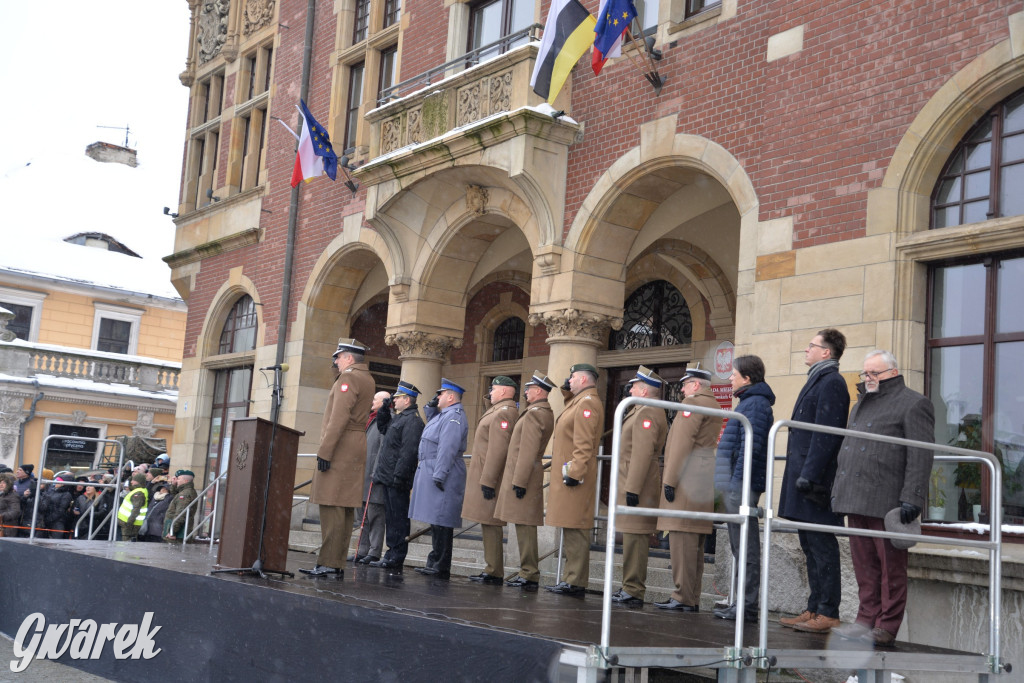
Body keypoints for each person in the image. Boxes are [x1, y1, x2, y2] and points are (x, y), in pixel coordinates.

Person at [830, 350, 934, 647]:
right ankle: (864, 621)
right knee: (864, 568)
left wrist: (913, 497)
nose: (868, 378)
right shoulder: (860, 403)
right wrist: (838, 492)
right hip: (856, 498)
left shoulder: (914, 403)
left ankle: (887, 625)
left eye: (874, 373)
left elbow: (920, 453)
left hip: (888, 501)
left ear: (893, 372)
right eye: (866, 373)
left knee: (891, 570)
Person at [778, 329, 851, 633]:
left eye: (812, 346)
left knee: (822, 545)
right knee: (808, 543)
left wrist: (810, 474)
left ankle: (828, 612)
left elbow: (827, 434)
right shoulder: (817, 378)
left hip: (817, 481)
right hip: (804, 476)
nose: (806, 350)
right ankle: (814, 607)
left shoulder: (833, 382)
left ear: (827, 352)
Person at [300, 338, 375, 578]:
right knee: (343, 507)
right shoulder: (367, 378)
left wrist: (325, 451)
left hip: (341, 444)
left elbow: (339, 418)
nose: (336, 361)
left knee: (332, 504)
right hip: (355, 442)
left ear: (350, 358)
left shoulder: (349, 377)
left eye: (339, 356)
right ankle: (335, 562)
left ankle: (328, 563)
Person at [655, 367, 723, 612]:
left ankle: (682, 596)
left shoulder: (691, 403)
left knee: (682, 538)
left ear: (695, 385)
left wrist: (669, 481)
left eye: (685, 384)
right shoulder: (713, 404)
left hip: (685, 479)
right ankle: (691, 596)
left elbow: (681, 446)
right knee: (695, 542)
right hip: (702, 479)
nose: (682, 389)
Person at [713, 355, 775, 621]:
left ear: (747, 378)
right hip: (736, 484)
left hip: (742, 486)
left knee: (746, 548)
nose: (730, 378)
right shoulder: (748, 403)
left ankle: (747, 606)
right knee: (739, 547)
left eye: (734, 374)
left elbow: (751, 448)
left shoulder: (756, 405)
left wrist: (737, 484)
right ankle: (739, 603)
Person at [605, 366, 668, 608]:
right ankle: (629, 586)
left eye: (633, 386)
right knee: (631, 537)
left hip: (638, 484)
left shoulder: (648, 411)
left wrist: (633, 488)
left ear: (643, 390)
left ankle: (633, 588)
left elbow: (642, 454)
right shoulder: (641, 409)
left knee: (636, 538)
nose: (630, 389)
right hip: (632, 481)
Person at [545, 363, 605, 596]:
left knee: (576, 527)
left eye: (572, 377)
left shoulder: (588, 403)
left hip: (575, 476)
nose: (569, 380)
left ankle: (576, 581)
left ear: (583, 379)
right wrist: (567, 391)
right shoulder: (578, 401)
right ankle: (570, 578)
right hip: (568, 473)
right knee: (569, 527)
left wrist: (575, 473)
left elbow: (584, 444)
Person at [495, 371, 555, 590]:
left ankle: (529, 572)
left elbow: (528, 451)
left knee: (525, 525)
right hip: (525, 473)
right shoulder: (536, 411)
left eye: (529, 388)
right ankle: (527, 570)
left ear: (539, 391)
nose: (526, 392)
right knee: (522, 524)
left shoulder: (535, 414)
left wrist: (519, 481)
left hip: (524, 476)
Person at [409, 378, 469, 580]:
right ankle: (434, 561)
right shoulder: (445, 414)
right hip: (434, 467)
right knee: (436, 520)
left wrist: (440, 473)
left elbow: (447, 447)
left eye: (441, 394)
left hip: (443, 470)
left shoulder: (454, 416)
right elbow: (434, 425)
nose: (437, 397)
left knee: (442, 520)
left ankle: (440, 565)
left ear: (451, 397)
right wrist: (430, 407)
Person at [462, 376, 519, 585]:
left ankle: (494, 570)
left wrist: (488, 480)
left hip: (490, 475)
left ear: (504, 391)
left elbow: (498, 450)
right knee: (487, 523)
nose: (490, 393)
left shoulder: (505, 413)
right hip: (484, 472)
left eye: (493, 389)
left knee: (491, 523)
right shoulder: (497, 410)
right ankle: (491, 567)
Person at [369, 381, 425, 573]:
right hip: (388, 475)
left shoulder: (413, 421)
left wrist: (400, 476)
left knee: (398, 519)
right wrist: (384, 410)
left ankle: (396, 556)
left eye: (397, 398)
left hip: (397, 478)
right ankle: (390, 554)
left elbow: (408, 452)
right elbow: (384, 428)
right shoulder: (400, 418)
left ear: (407, 400)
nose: (394, 400)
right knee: (391, 518)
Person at [354, 390, 392, 564]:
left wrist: (377, 471)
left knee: (375, 514)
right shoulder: (372, 419)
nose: (371, 401)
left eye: (375, 399)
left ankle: (374, 551)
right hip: (363, 474)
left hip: (374, 476)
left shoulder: (385, 419)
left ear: (384, 402)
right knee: (362, 515)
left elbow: (384, 449)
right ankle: (362, 550)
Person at [164, 470, 198, 542]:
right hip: (178, 531)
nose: (177, 481)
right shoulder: (184, 492)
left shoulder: (185, 494)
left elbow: (181, 513)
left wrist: (172, 531)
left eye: (179, 479)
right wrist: (173, 485)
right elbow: (175, 496)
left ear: (185, 481)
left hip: (178, 534)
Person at [117, 473, 149, 542]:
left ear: (138, 482)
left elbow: (136, 509)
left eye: (133, 480)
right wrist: (130, 477)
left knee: (127, 542)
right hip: (130, 522)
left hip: (130, 523)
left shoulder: (139, 493)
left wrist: (129, 522)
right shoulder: (138, 490)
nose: (131, 482)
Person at [0, 471, 22, 537]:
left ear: (9, 484)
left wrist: (1, 516)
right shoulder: (2, 495)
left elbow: (16, 512)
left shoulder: (13, 496)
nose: (1, 484)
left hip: (7, 529)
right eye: (0, 482)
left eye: (3, 483)